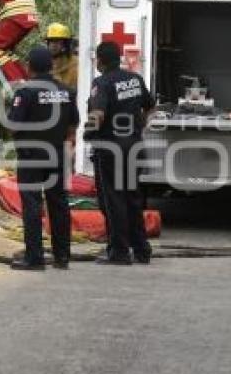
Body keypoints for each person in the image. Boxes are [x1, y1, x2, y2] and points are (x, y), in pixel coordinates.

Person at [8, 46, 79, 270]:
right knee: (59, 203)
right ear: (51, 66)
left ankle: (35, 258)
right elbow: (72, 123)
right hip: (58, 154)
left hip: (32, 156)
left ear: (29, 67)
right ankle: (62, 256)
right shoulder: (66, 91)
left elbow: (14, 124)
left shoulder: (26, 92)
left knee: (32, 205)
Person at [84, 41, 154, 265]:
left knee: (113, 200)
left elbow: (98, 114)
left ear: (101, 61)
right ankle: (142, 250)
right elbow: (150, 106)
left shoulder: (101, 83)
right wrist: (139, 126)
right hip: (134, 146)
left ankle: (120, 252)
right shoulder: (135, 79)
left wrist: (88, 133)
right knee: (133, 198)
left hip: (111, 149)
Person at [44, 22, 78, 88]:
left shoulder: (75, 63)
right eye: (51, 41)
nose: (53, 45)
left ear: (65, 44)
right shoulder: (44, 62)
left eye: (57, 41)